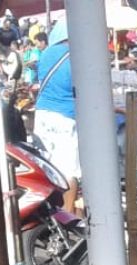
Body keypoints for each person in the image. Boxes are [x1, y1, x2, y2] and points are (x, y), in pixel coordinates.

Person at [34, 21, 80, 213]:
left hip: (42, 115)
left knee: (47, 166)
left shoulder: (45, 55)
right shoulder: (77, 56)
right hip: (65, 117)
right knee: (69, 171)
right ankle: (68, 217)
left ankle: (52, 214)